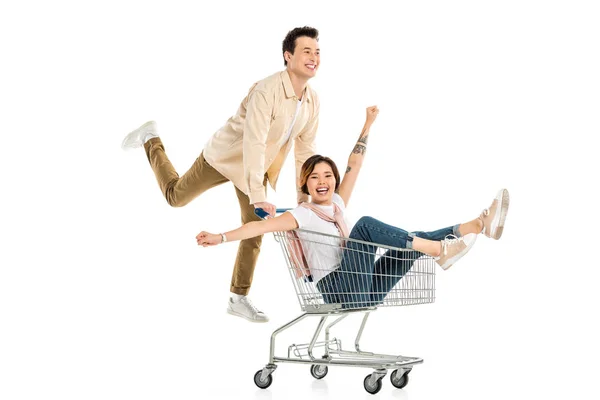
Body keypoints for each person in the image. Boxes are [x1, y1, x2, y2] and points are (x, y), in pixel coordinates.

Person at [196, 106, 510, 309]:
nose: (323, 181)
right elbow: (257, 226)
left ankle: (478, 225)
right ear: (306, 184)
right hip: (338, 289)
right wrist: (220, 237)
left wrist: (367, 124)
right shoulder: (300, 215)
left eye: (328, 176)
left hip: (365, 287)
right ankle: (440, 250)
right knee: (364, 227)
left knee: (409, 239)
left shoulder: (336, 203)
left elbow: (354, 166)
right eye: (315, 177)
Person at [121, 27, 322, 322]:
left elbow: (306, 150)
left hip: (255, 169)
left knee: (255, 228)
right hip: (226, 157)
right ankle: (151, 139)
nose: (314, 57)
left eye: (317, 52)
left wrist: (305, 199)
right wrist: (257, 195)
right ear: (287, 56)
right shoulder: (267, 90)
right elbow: (253, 142)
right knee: (176, 197)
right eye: (307, 51)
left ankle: (238, 298)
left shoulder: (312, 101)